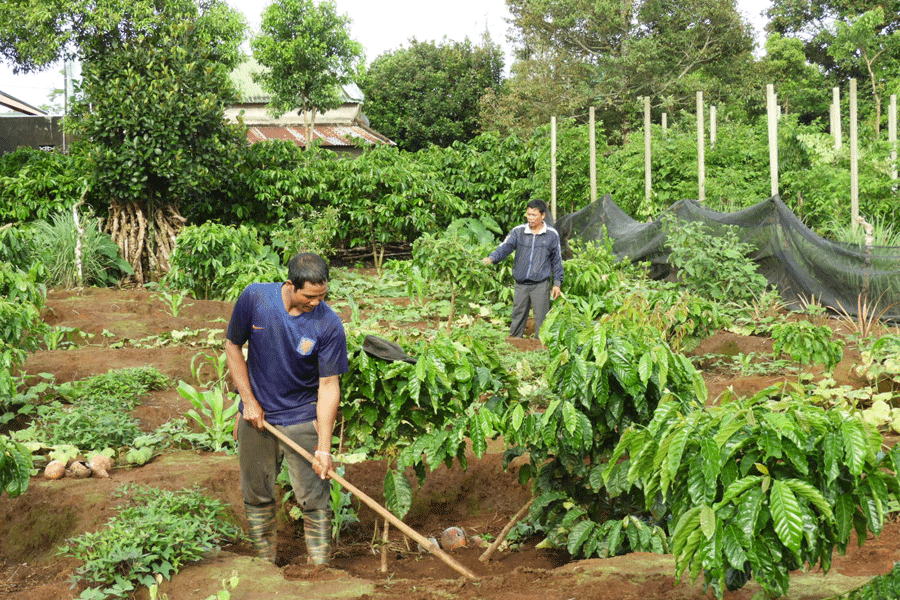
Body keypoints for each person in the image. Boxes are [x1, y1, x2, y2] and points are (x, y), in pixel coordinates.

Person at [225, 252, 348, 566]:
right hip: (258, 418)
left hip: (302, 417)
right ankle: (263, 566)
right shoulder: (256, 298)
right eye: (310, 296)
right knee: (256, 493)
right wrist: (248, 403)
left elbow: (329, 385)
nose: (317, 303)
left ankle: (320, 567)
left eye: (323, 296)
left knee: (315, 497)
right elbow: (232, 345)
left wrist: (323, 448)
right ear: (291, 285)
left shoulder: (329, 323)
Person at [483, 199, 563, 338]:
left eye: (534, 215)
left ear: (543, 215)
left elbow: (557, 260)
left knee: (542, 319)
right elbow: (505, 247)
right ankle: (514, 347)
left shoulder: (551, 235)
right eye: (528, 214)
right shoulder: (518, 232)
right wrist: (492, 258)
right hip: (521, 284)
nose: (530, 218)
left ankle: (541, 349)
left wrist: (557, 283)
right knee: (517, 316)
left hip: (540, 284)